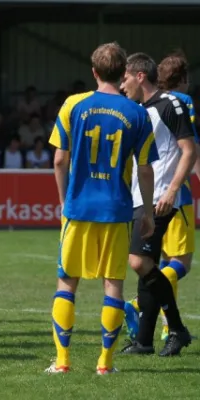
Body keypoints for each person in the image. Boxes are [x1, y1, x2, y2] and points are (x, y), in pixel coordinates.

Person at [46, 42, 158, 375]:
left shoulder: (73, 105)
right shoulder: (137, 112)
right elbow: (146, 168)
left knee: (67, 282)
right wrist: (148, 211)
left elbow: (58, 159)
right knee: (113, 285)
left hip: (79, 208)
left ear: (94, 72)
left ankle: (63, 361)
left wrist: (64, 201)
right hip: (118, 209)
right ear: (123, 72)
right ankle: (105, 364)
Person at [120, 52, 195, 357]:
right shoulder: (139, 110)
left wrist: (172, 190)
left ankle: (176, 328)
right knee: (144, 264)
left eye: (125, 78)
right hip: (142, 198)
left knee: (139, 261)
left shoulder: (170, 103)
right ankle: (144, 341)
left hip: (162, 199)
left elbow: (189, 151)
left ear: (140, 76)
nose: (122, 85)